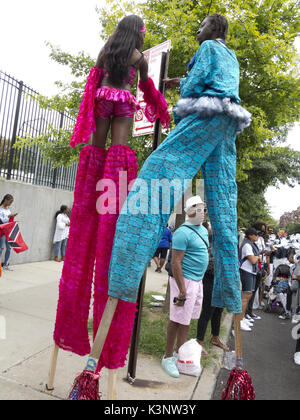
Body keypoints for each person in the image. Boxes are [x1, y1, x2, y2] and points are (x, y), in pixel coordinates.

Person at [53, 15, 170, 373]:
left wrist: (88, 112)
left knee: (97, 147)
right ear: (138, 34)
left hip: (102, 98)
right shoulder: (137, 57)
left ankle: (93, 177)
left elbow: (92, 81)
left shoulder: (108, 50)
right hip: (121, 101)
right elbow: (148, 88)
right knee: (120, 151)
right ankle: (112, 181)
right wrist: (159, 108)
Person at [162, 196, 209, 377]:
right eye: (199, 210)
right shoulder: (183, 232)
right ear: (190, 211)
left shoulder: (202, 230)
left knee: (186, 320)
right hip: (185, 281)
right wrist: (182, 289)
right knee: (177, 319)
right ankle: (168, 357)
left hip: (197, 281)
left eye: (204, 210)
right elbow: (176, 262)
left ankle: (180, 356)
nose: (203, 213)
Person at [196, 225, 229, 356]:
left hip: (222, 281)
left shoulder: (226, 246)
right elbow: (208, 264)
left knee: (218, 310)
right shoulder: (210, 242)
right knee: (208, 311)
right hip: (210, 280)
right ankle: (199, 340)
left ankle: (215, 337)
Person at [239, 228, 262, 331]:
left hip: (251, 271)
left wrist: (257, 257)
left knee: (248, 295)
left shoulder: (251, 244)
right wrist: (258, 258)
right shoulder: (247, 245)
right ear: (250, 235)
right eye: (256, 234)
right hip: (246, 271)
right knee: (245, 296)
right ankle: (239, 321)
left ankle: (243, 318)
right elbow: (253, 260)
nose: (257, 236)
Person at [0, 194, 18, 271]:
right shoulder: (0, 209)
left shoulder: (8, 209)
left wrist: (12, 217)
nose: (11, 203)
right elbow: (2, 220)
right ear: (6, 200)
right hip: (2, 230)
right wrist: (9, 216)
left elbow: (9, 219)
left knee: (9, 247)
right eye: (10, 202)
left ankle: (6, 264)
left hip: (9, 230)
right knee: (1, 248)